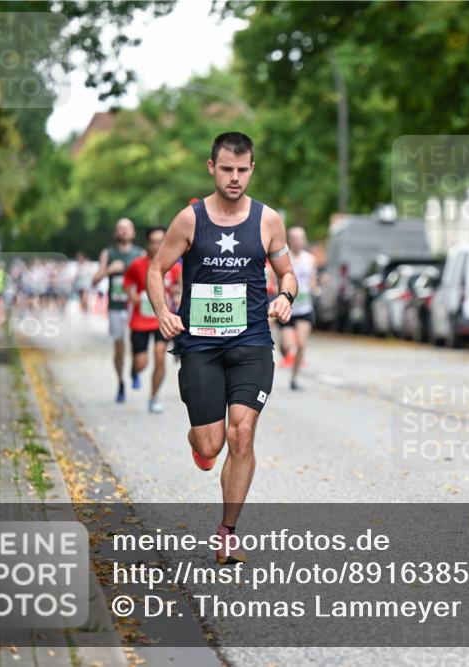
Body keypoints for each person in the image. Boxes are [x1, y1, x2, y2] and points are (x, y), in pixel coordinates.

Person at [147, 131, 295, 565]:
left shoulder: (268, 220)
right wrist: (163, 311)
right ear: (212, 168)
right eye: (226, 169)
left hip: (251, 341)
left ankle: (227, 533)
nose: (234, 178)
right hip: (201, 347)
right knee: (211, 445)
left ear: (252, 169)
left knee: (242, 434)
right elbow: (157, 271)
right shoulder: (190, 220)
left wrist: (285, 296)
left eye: (242, 170)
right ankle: (200, 444)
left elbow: (288, 273)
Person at [123, 227, 182, 414]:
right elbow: (127, 284)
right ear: (147, 243)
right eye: (154, 241)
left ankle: (154, 397)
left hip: (162, 319)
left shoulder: (175, 266)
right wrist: (132, 295)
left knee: (159, 356)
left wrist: (178, 293)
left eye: (161, 241)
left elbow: (180, 285)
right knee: (142, 363)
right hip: (140, 320)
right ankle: (134, 370)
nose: (157, 245)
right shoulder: (137, 264)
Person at [93, 218, 144, 403]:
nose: (123, 231)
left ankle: (134, 371)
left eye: (127, 228)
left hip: (134, 307)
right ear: (116, 233)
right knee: (119, 347)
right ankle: (121, 382)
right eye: (120, 228)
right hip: (115, 307)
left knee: (137, 345)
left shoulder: (140, 254)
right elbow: (94, 280)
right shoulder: (108, 253)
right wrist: (109, 270)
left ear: (133, 232)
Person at [279, 226, 317, 390]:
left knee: (301, 345)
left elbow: (312, 280)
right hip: (288, 307)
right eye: (293, 238)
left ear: (304, 240)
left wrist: (314, 288)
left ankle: (294, 379)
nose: (297, 242)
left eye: (300, 238)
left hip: (304, 308)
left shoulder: (310, 259)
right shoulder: (285, 258)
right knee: (288, 347)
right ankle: (283, 348)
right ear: (289, 240)